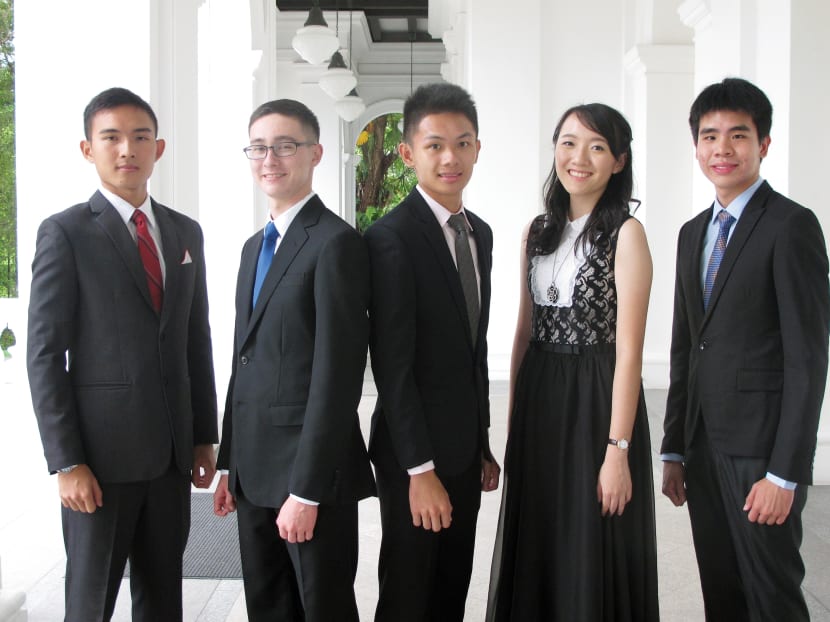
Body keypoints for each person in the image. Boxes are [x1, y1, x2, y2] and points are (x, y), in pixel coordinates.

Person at [27, 87, 219, 621]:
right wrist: (66, 461)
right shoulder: (64, 232)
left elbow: (193, 339)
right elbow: (44, 355)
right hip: (99, 462)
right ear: (88, 149)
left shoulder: (185, 232)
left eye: (139, 138)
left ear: (158, 148)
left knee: (163, 599)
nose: (126, 150)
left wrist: (204, 435)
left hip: (171, 458)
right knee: (91, 601)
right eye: (110, 137)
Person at [661, 77, 830, 621]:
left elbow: (808, 357)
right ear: (696, 147)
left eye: (738, 135)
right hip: (703, 448)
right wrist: (673, 448)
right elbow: (686, 344)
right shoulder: (692, 233)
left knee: (772, 594)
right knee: (723, 592)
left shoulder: (791, 226)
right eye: (710, 137)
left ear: (764, 145)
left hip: (762, 453)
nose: (722, 149)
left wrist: (786, 473)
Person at [487, 103, 659, 621]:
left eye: (596, 146)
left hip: (597, 402)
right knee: (541, 535)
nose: (578, 157)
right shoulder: (535, 231)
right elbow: (523, 333)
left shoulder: (627, 234)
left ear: (619, 161)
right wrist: (514, 428)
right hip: (541, 399)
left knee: (591, 539)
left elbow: (629, 352)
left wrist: (617, 451)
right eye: (567, 142)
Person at [212, 99, 374, 622]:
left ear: (315, 154)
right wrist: (229, 466)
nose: (270, 159)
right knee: (269, 607)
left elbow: (337, 377)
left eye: (285, 146)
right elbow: (246, 363)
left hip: (309, 479)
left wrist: (306, 489)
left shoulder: (336, 244)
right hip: (254, 471)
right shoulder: (250, 249)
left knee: (321, 607)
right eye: (258, 147)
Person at [365, 82, 501, 622]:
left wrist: (483, 443)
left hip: (464, 449)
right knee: (408, 590)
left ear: (477, 148)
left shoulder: (479, 234)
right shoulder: (390, 239)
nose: (451, 157)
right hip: (412, 456)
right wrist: (419, 471)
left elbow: (475, 350)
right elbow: (392, 368)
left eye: (463, 143)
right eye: (435, 144)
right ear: (407, 153)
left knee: (450, 585)